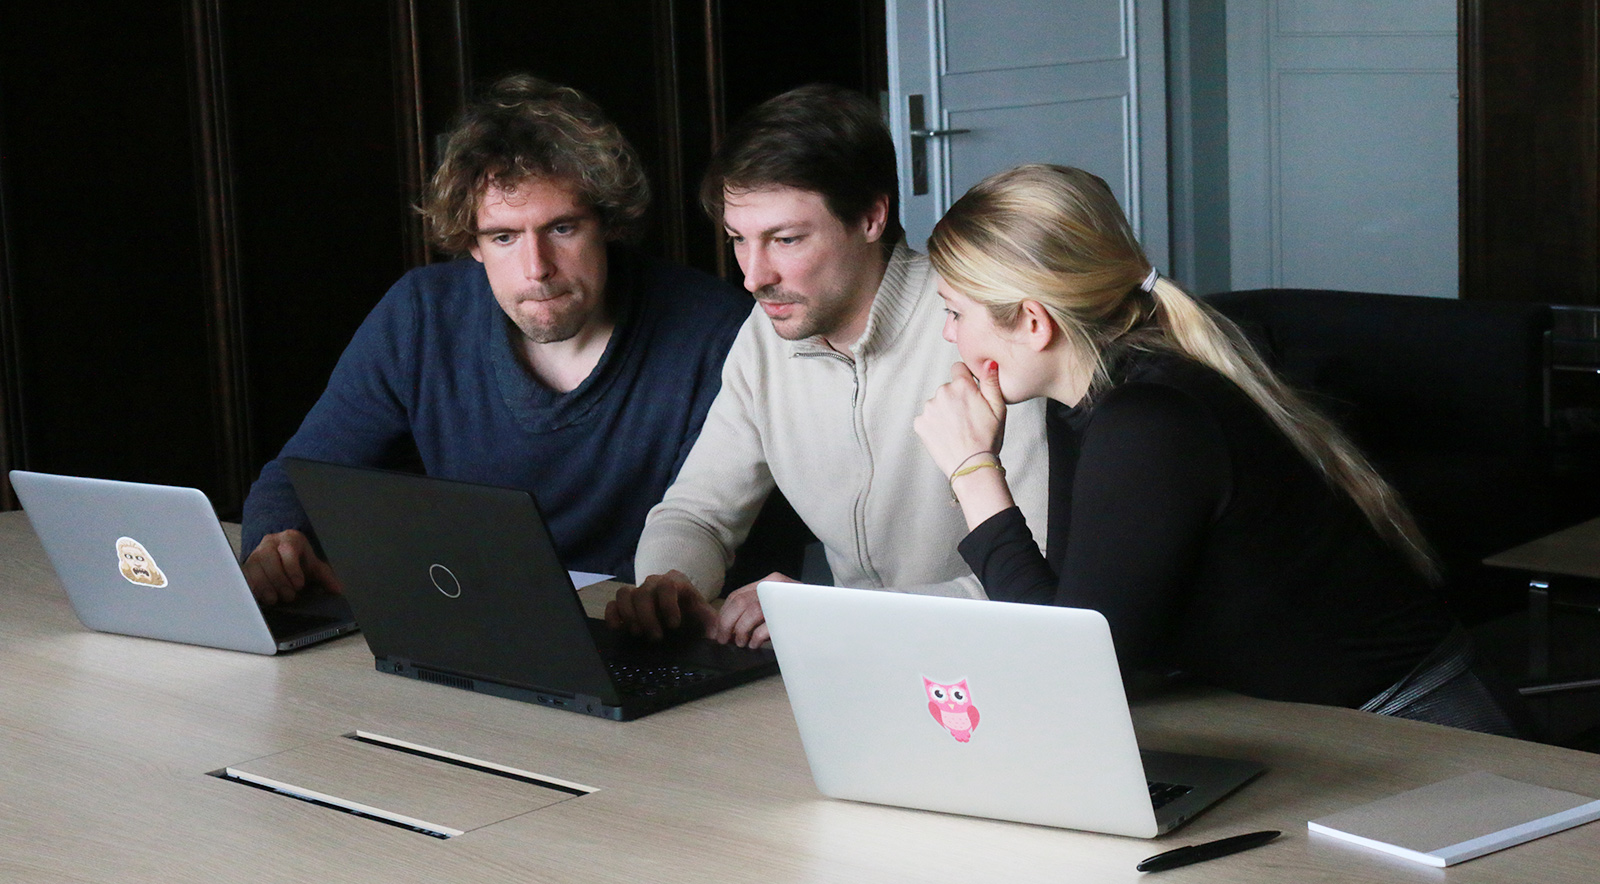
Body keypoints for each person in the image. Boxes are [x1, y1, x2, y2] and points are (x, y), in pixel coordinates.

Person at [913, 163, 1524, 734]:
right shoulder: (1099, 398)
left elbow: (1077, 676)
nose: (948, 334)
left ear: (1031, 321)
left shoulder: (1149, 421)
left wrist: (974, 473)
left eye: (955, 312)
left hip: (1417, 731)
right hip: (1310, 731)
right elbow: (1079, 624)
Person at [240, 74, 748, 603]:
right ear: (473, 243)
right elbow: (300, 475)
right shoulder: (423, 315)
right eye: (504, 237)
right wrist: (278, 544)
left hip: (642, 635)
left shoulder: (712, 332)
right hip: (470, 620)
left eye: (562, 229)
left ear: (607, 223)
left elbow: (716, 528)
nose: (536, 269)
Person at [607, 85, 1050, 647]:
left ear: (870, 217)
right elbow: (697, 514)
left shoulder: (980, 332)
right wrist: (670, 585)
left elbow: (1034, 584)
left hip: (980, 664)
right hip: (852, 662)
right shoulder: (764, 336)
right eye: (737, 239)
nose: (752, 275)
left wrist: (834, 616)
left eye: (786, 239)